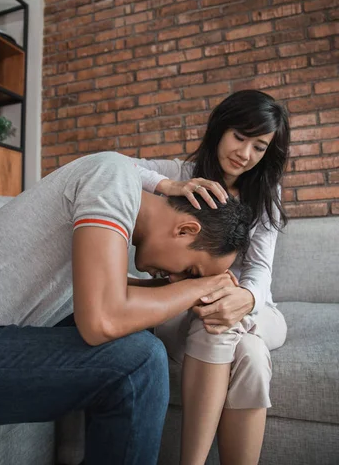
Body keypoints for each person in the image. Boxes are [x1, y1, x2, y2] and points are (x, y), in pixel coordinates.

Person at [0, 151, 252, 465]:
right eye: (191, 270)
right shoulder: (112, 181)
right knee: (139, 359)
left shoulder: (118, 185)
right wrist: (199, 287)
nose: (178, 279)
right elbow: (101, 320)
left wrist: (195, 292)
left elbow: (109, 294)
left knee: (137, 325)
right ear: (185, 230)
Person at [130, 89, 290, 465]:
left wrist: (247, 298)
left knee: (223, 319)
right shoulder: (182, 174)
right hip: (187, 308)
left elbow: (259, 268)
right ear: (221, 128)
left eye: (259, 146)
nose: (245, 153)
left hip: (257, 308)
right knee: (246, 351)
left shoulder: (264, 192)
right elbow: (112, 167)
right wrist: (166, 185)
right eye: (239, 136)